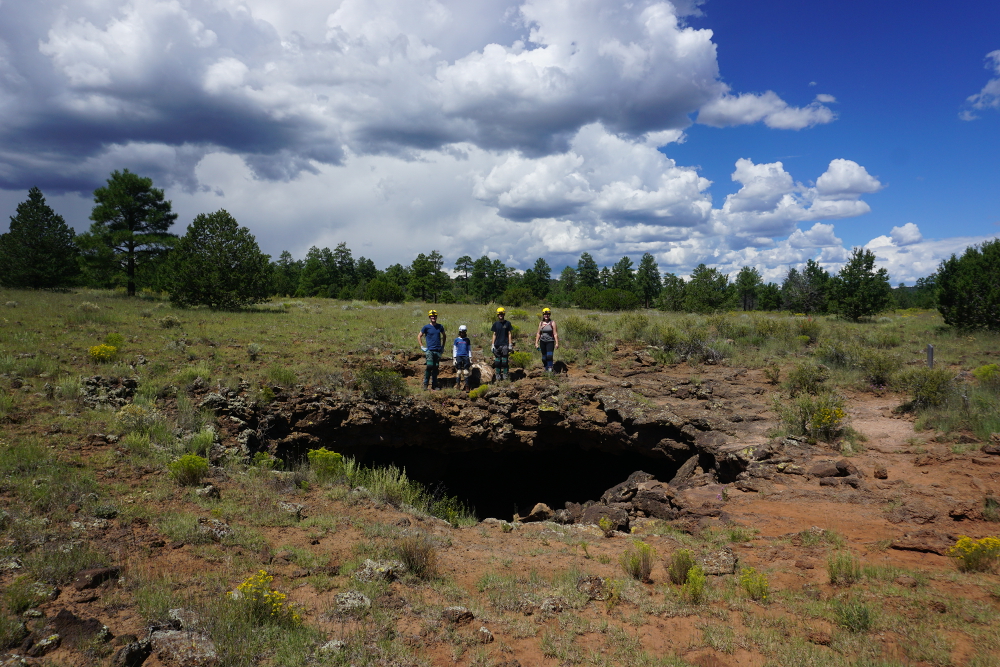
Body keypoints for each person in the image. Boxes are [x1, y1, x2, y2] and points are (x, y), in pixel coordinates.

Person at [417, 309, 446, 390]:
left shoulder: (440, 326)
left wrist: (442, 346)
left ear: (436, 317)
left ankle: (434, 385)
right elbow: (419, 336)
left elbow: (444, 335)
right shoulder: (426, 327)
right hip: (430, 350)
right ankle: (425, 384)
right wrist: (422, 346)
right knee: (429, 366)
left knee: (436, 367)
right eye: (432, 316)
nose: (433, 317)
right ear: (429, 317)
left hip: (437, 350)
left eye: (435, 316)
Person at [490, 306, 514, 381]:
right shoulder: (495, 324)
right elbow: (494, 334)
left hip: (505, 345)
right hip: (497, 345)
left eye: (502, 314)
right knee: (497, 361)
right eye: (499, 314)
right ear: (497, 315)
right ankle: (498, 375)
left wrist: (510, 344)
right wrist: (492, 344)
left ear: (504, 314)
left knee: (504, 361)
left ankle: (505, 375)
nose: (501, 315)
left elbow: (509, 333)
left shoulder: (507, 323)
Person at [534, 307, 559, 372]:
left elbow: (555, 333)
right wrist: (536, 343)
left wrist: (557, 343)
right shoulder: (541, 323)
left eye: (548, 314)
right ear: (543, 315)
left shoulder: (552, 323)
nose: (546, 315)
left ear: (550, 315)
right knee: (544, 358)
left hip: (550, 341)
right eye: (545, 314)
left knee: (549, 356)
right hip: (542, 342)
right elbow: (538, 333)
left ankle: (550, 370)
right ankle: (546, 367)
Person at [452, 324, 472, 390]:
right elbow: (455, 349)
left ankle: (467, 386)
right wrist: (454, 358)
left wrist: (470, 357)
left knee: (466, 372)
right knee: (459, 371)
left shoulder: (467, 340)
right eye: (461, 332)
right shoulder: (456, 340)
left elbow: (469, 349)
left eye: (464, 332)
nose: (462, 333)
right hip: (459, 356)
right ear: (459, 332)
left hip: (466, 356)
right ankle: (458, 385)